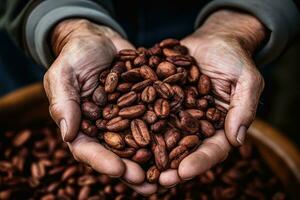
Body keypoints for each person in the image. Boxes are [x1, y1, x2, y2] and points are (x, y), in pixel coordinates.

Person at [1, 0, 299, 196]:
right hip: (34, 20)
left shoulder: (172, 95)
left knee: (245, 103)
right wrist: (63, 26)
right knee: (52, 97)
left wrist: (241, 24)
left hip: (199, 12)